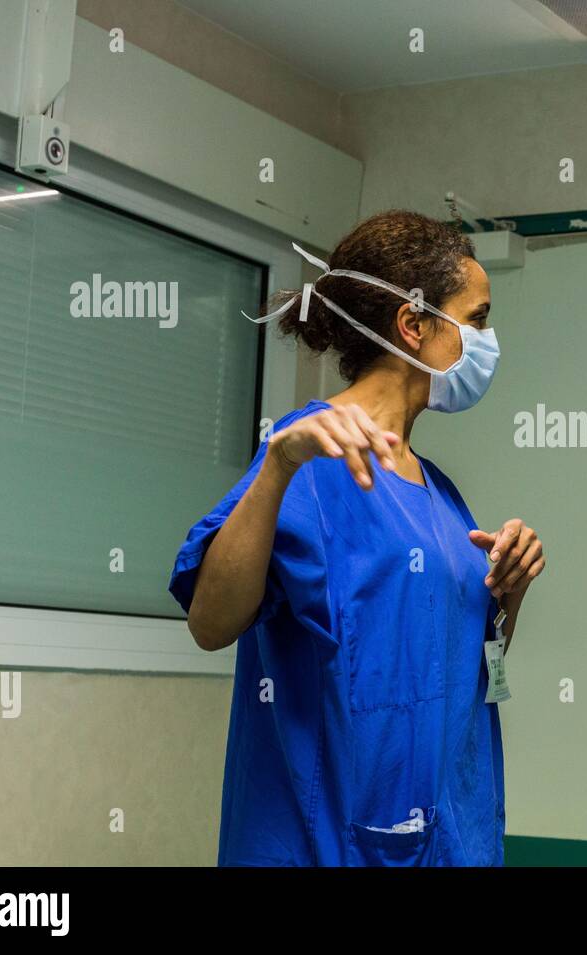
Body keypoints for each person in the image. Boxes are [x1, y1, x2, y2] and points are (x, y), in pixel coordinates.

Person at [168, 210, 544, 866]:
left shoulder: (441, 495)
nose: (488, 340)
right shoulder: (307, 457)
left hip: (449, 838)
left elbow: (464, 670)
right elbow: (211, 622)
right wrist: (277, 469)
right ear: (414, 325)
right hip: (328, 844)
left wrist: (510, 589)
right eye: (478, 319)